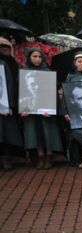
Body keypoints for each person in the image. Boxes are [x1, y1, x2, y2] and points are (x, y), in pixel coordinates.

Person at [19, 48, 63, 169]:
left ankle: (49, 156)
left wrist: (50, 108)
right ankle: (40, 156)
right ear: (29, 58)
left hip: (46, 110)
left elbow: (54, 88)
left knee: (48, 132)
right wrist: (23, 108)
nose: (37, 59)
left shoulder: (47, 71)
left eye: (39, 57)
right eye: (34, 56)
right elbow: (22, 91)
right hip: (30, 111)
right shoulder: (24, 72)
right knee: (35, 132)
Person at [0, 37, 23, 171]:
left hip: (4, 106)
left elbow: (9, 85)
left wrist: (9, 105)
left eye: (7, 48)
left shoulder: (5, 64)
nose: (5, 50)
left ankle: (7, 158)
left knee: (6, 133)